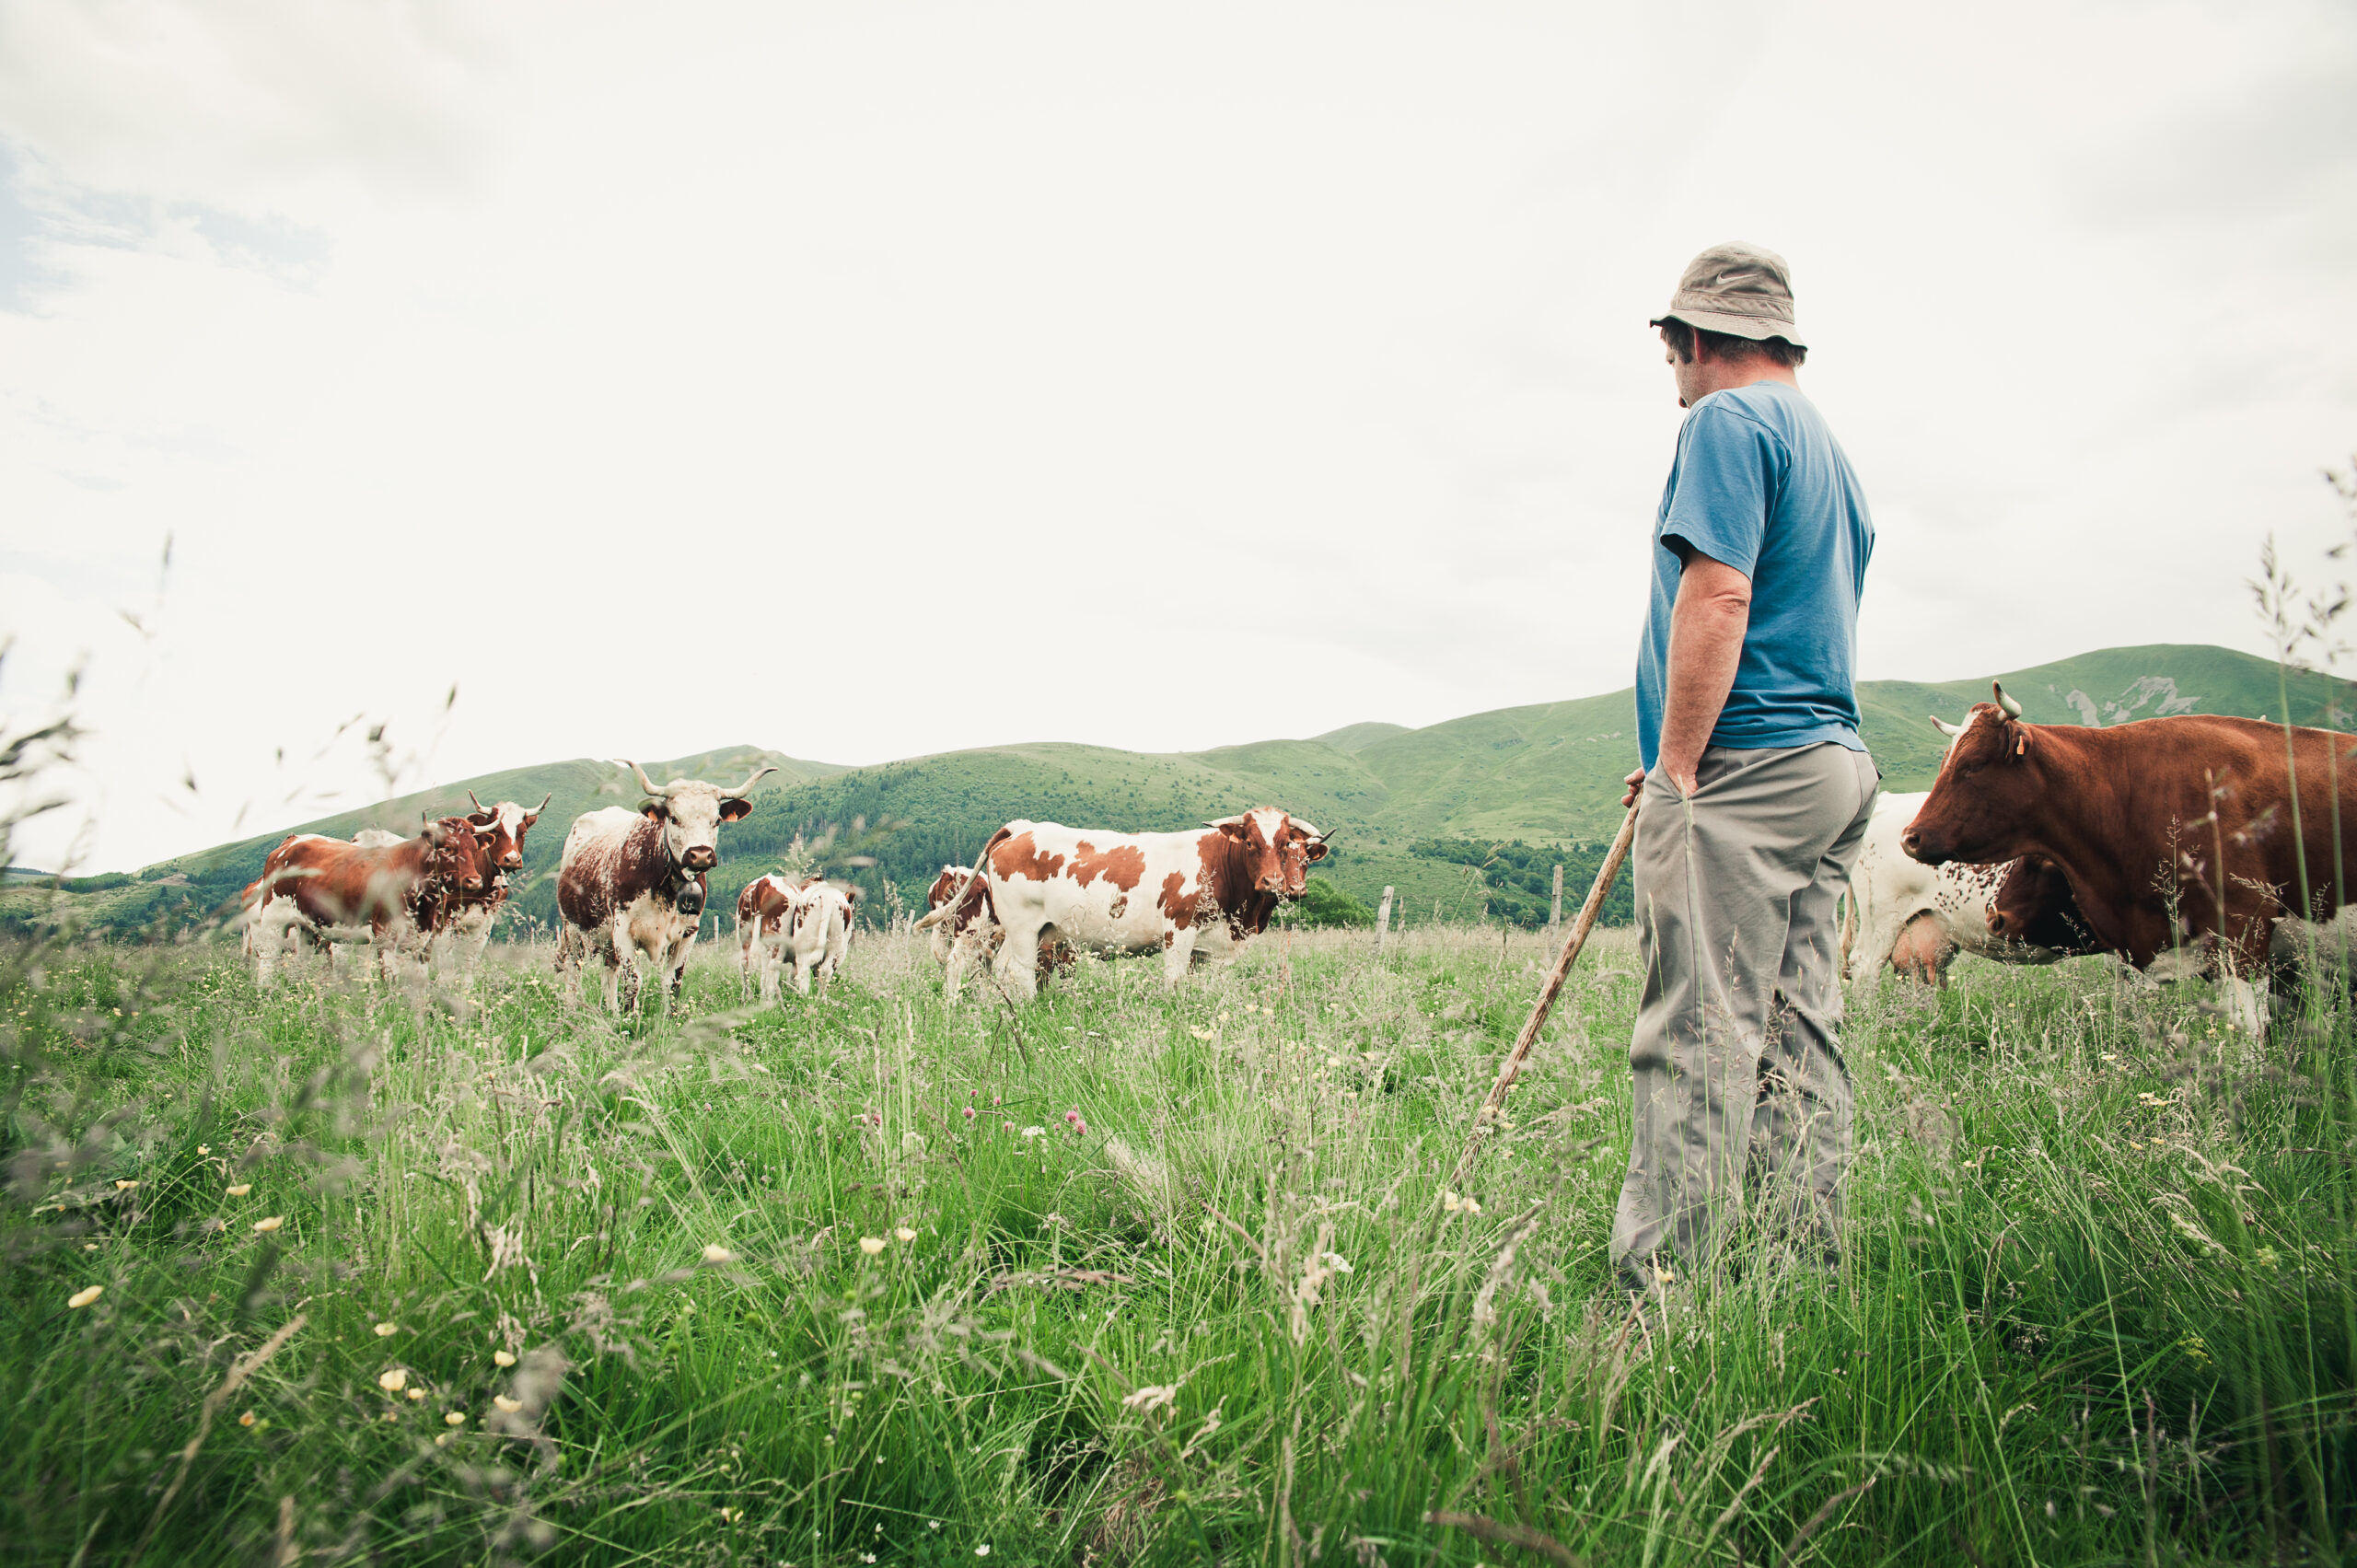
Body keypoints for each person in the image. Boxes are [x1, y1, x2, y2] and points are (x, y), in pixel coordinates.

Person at [1610, 242, 1878, 1293]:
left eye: (1669, 344)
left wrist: (1680, 763)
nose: (1668, 370)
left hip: (1745, 768)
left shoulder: (1723, 422)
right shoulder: (1829, 449)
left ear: (1697, 337)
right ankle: (1797, 1277)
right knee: (1795, 1027)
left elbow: (1718, 597)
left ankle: (1658, 1302)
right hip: (1829, 763)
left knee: (1697, 1031)